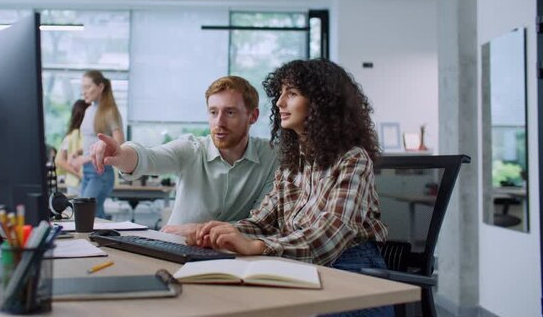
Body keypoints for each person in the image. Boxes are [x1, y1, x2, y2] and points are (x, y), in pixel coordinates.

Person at [191, 60, 391, 317]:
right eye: (280, 93)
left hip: (353, 274)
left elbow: (329, 234)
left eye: (292, 94)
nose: (279, 103)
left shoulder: (353, 158)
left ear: (321, 103)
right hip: (303, 267)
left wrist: (259, 247)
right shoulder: (293, 162)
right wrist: (220, 232)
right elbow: (263, 222)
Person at [90, 76, 279, 236]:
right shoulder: (192, 149)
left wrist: (199, 230)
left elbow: (261, 221)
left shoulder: (271, 156)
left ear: (252, 116)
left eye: (230, 112)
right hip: (176, 247)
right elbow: (150, 157)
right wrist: (121, 154)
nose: (219, 122)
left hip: (235, 256)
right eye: (213, 112)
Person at [71, 70, 124, 219]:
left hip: (100, 173)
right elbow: (93, 141)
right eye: (83, 87)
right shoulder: (88, 110)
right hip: (87, 171)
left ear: (100, 87)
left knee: (86, 216)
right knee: (92, 215)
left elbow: (118, 144)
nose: (84, 92)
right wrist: (80, 152)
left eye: (88, 87)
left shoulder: (109, 111)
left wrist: (86, 158)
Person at [55, 99, 89, 197]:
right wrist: (79, 174)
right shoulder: (71, 137)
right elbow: (60, 161)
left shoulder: (86, 135)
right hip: (76, 183)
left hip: (79, 181)